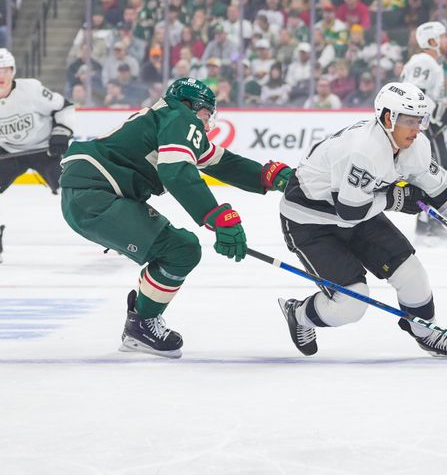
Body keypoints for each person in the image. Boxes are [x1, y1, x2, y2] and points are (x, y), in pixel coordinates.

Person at [59, 78, 292, 359]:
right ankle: (142, 325)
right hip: (96, 195)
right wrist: (217, 217)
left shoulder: (168, 118)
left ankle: (142, 317)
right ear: (191, 106)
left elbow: (222, 162)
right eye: (207, 114)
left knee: (180, 248)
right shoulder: (180, 117)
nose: (207, 123)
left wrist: (266, 176)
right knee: (180, 250)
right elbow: (176, 171)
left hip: (91, 192)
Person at [277, 81, 447, 358]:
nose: (416, 129)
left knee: (412, 274)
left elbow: (444, 190)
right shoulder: (365, 150)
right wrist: (393, 199)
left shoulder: (415, 146)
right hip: (310, 222)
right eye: (409, 121)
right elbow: (348, 211)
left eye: (420, 120)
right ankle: (299, 313)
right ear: (388, 118)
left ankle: (425, 333)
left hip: (360, 212)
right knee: (351, 303)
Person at [400, 22, 447, 241]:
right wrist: (440, 113)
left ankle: (427, 223)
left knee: (437, 170)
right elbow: (415, 94)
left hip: (425, 124)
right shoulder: (423, 61)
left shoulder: (430, 63)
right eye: (443, 37)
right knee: (434, 172)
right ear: (432, 41)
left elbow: (427, 99)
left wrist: (445, 114)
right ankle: (428, 225)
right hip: (419, 126)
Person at [0, 48, 76, 196]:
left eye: (5, 70)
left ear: (13, 71)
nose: (1, 75)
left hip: (43, 149)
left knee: (68, 190)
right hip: (9, 152)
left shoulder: (30, 90)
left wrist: (61, 132)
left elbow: (64, 107)